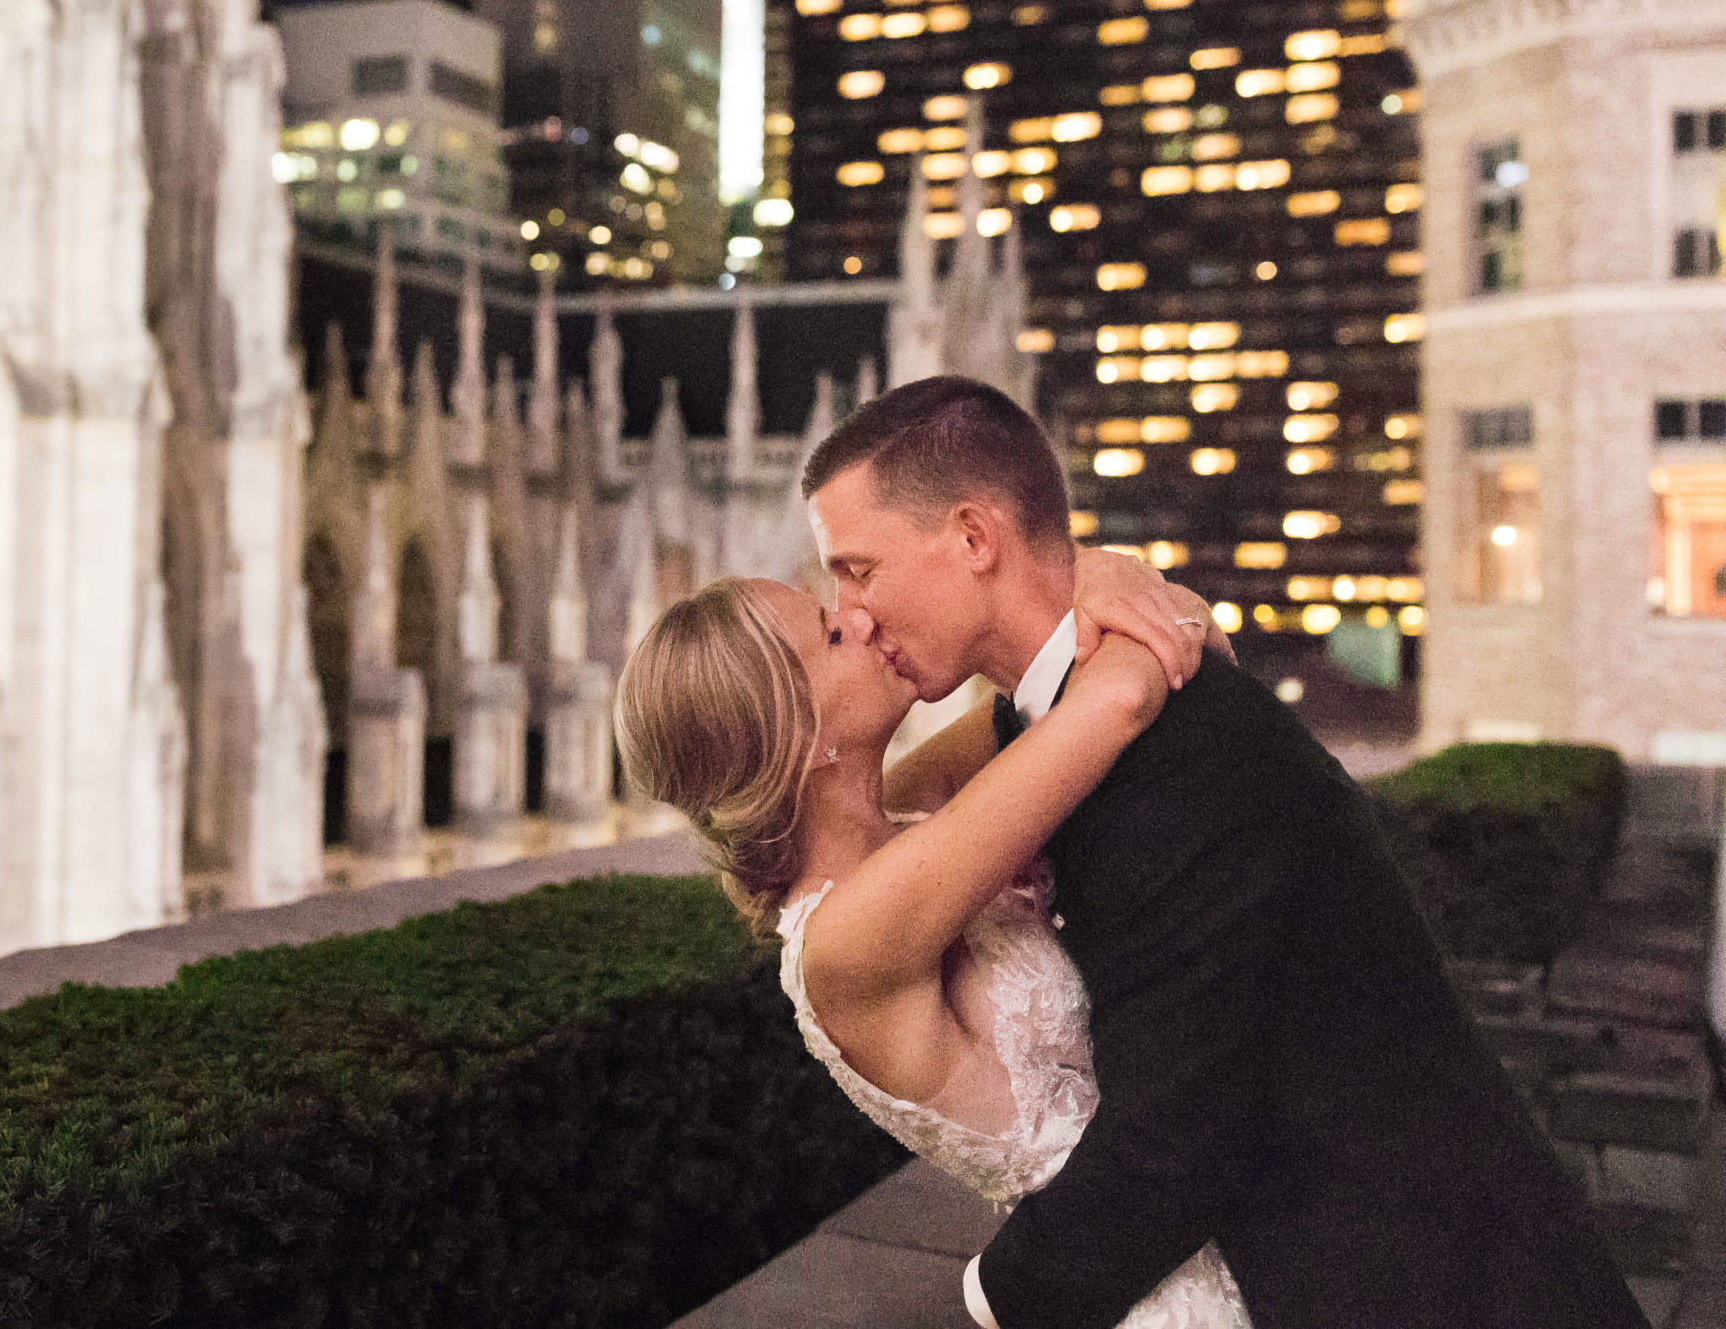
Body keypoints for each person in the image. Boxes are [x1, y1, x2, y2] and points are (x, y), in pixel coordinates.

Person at [802, 375, 1645, 1329]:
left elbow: (1173, 1148)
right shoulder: (1045, 727)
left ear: (972, 538)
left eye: (858, 569)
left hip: (1427, 1280)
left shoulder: (1176, 756)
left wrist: (985, 1300)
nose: (852, 611)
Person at [620, 552, 1252, 1326]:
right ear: (796, 738)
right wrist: (1107, 585)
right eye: (830, 634)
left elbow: (1066, 671)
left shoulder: (908, 812)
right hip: (1163, 1291)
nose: (860, 617)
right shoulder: (846, 942)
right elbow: (1117, 697)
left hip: (1227, 1207)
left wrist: (1099, 583)